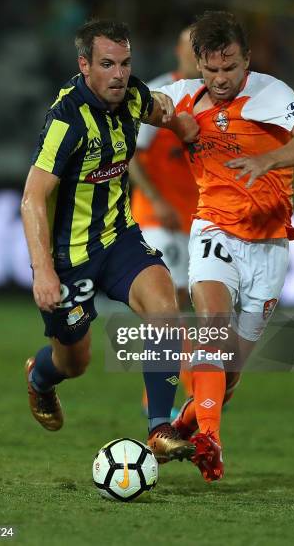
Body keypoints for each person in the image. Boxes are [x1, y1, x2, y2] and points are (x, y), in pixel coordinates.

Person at [155, 10, 294, 481]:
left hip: (269, 245)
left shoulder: (270, 93)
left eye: (230, 68)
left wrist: (267, 158)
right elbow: (142, 103)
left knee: (228, 378)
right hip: (214, 230)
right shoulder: (183, 95)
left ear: (246, 59)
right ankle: (210, 440)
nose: (221, 78)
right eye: (211, 70)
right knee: (211, 325)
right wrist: (161, 116)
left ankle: (184, 425)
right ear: (198, 65)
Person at [20, 19, 199, 463]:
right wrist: (43, 270)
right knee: (73, 363)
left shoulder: (131, 95)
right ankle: (39, 379)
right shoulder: (67, 120)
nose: (119, 74)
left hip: (119, 237)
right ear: (84, 66)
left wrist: (183, 126)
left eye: (125, 63)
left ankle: (159, 427)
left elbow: (160, 110)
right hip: (70, 257)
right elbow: (32, 198)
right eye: (107, 64)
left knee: (164, 307)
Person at [129, 27, 200, 415]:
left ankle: (176, 391)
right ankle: (164, 401)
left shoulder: (211, 98)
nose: (196, 56)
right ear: (178, 50)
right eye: (191, 48)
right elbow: (131, 156)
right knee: (168, 305)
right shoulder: (159, 96)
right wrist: (157, 200)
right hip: (157, 217)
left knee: (187, 305)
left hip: (197, 219)